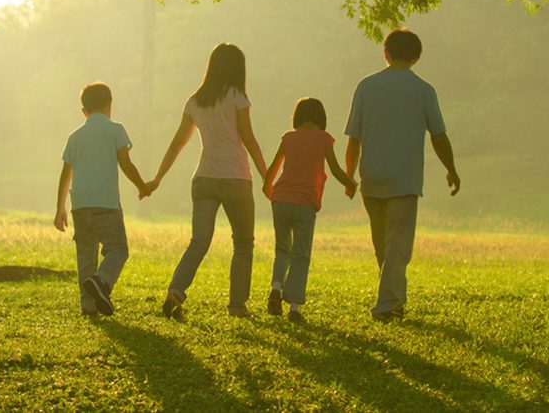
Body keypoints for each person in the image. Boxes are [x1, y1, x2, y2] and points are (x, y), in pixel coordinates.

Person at [344, 28, 460, 321]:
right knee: (397, 247)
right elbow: (438, 135)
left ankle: (395, 300)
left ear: (385, 52)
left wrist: (349, 175)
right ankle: (387, 305)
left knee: (382, 246)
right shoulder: (423, 89)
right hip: (404, 179)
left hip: (372, 177)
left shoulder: (366, 87)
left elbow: (353, 138)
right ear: (416, 57)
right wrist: (451, 169)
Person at [148, 43, 268, 319]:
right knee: (243, 244)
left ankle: (176, 290)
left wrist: (158, 177)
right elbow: (248, 138)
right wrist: (267, 176)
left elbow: (178, 141)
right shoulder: (237, 97)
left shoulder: (195, 100)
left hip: (203, 179)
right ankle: (237, 306)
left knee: (199, 242)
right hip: (236, 177)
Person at [53, 82, 154, 317]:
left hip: (80, 205)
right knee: (118, 249)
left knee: (85, 255)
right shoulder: (115, 129)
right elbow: (125, 164)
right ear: (109, 106)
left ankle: (88, 307)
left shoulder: (74, 137)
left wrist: (60, 208)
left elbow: (65, 174)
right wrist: (142, 186)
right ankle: (102, 281)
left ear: (83, 111)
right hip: (106, 204)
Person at [262, 97, 356, 323]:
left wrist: (268, 189)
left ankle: (276, 288)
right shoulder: (323, 139)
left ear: (298, 118)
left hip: (281, 200)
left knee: (282, 249)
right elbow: (334, 169)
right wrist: (350, 184)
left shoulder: (289, 138)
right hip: (305, 204)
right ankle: (294, 308)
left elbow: (273, 167)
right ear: (321, 118)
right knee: (300, 255)